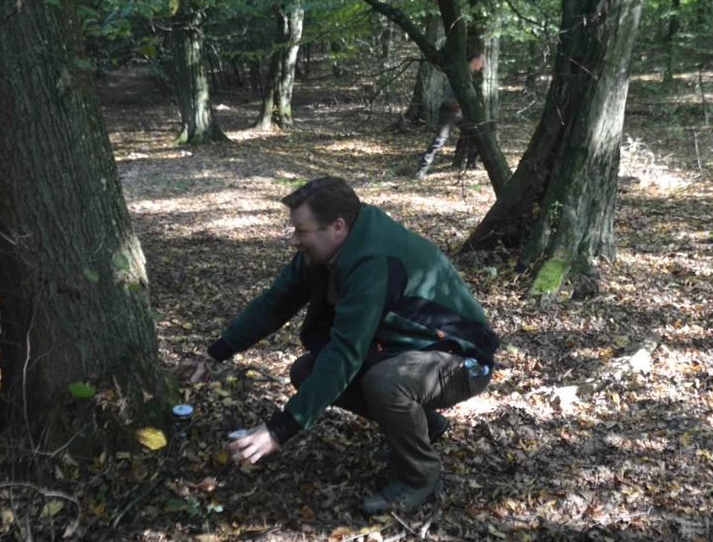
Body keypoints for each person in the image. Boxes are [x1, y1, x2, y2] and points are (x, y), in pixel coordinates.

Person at [177, 177, 498, 513]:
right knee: (306, 370)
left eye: (301, 231)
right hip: (409, 349)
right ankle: (426, 426)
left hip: (465, 360)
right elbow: (274, 304)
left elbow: (346, 351)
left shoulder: (372, 261)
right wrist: (215, 354)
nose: (293, 240)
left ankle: (421, 476)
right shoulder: (326, 251)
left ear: (338, 226)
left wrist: (278, 431)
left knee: (385, 384)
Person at [413, 51, 485, 180]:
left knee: (476, 132)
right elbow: (449, 99)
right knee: (440, 139)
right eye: (481, 62)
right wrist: (465, 104)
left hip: (461, 112)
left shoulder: (468, 75)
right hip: (448, 112)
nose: (481, 66)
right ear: (474, 61)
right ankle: (421, 170)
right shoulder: (460, 75)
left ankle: (472, 162)